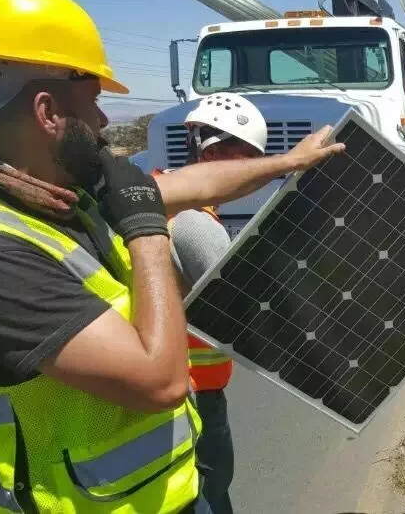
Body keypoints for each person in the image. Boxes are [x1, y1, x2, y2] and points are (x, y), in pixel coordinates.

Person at [0, 0, 343, 513]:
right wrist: (149, 230)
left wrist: (288, 162)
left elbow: (196, 183)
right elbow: (159, 381)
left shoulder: (60, 196)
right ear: (47, 112)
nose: (103, 123)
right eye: (95, 102)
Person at [153, 92, 271, 514]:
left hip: (172, 390)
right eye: (245, 161)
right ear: (213, 155)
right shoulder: (193, 221)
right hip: (195, 397)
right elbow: (240, 309)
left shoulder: (157, 198)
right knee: (211, 492)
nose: (252, 175)